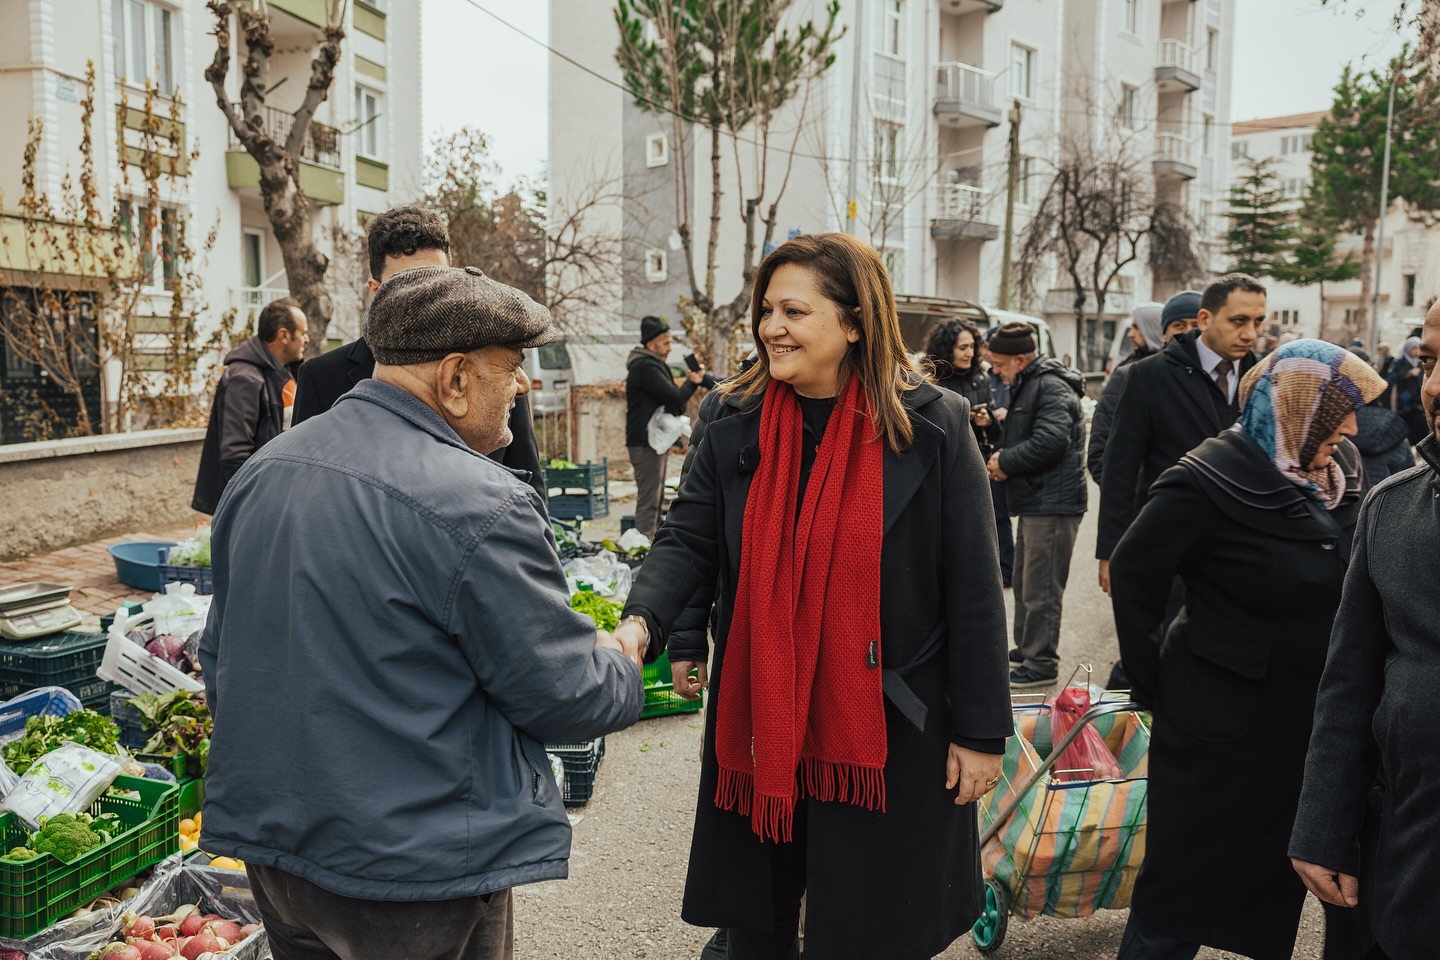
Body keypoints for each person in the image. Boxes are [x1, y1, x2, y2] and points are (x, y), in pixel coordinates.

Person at [198, 265, 645, 960]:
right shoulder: (480, 499)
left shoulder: (267, 470)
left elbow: (221, 658)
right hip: (411, 875)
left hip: (279, 858)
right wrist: (622, 659)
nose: (521, 386)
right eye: (511, 368)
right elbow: (563, 694)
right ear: (457, 378)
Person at [615, 233, 1010, 960]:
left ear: (855, 321)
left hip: (891, 724)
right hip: (766, 712)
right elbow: (689, 540)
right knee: (761, 922)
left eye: (793, 311)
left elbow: (975, 591)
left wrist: (983, 732)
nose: (771, 328)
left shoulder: (934, 423)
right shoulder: (733, 417)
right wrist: (643, 623)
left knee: (875, 923)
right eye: (767, 310)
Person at [1109, 339, 1386, 960]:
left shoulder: (1333, 477)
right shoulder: (1206, 476)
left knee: (1268, 891)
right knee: (1180, 894)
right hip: (1217, 730)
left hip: (1297, 730)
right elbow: (1133, 573)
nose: (1351, 425)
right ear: (1298, 406)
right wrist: (1153, 684)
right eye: (1340, 408)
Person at [1289, 305, 1440, 960]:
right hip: (1402, 858)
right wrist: (1323, 826)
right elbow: (1348, 683)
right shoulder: (1393, 506)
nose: (1432, 387)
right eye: (1429, 361)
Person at [291, 205, 545, 499]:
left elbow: (530, 487)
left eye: (436, 282)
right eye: (407, 287)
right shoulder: (322, 377)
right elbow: (307, 483)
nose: (426, 297)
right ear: (376, 291)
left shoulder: (497, 372)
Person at [1096, 276, 1265, 596]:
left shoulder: (1267, 378)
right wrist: (1110, 551)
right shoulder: (1148, 375)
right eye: (1239, 321)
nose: (1250, 334)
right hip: (1167, 545)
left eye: (1258, 322)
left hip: (1245, 549)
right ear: (1205, 319)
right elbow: (1120, 468)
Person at [983, 322, 1087, 687]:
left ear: (1021, 359)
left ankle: (1041, 662)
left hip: (1054, 503)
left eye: (998, 364)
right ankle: (1028, 649)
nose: (995, 371)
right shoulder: (1032, 383)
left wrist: (1003, 462)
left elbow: (1050, 441)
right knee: (1027, 582)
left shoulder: (1051, 386)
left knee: (1041, 587)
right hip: (1038, 500)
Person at [191, 298, 308, 515]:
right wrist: (258, 505)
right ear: (284, 335)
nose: (306, 339)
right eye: (303, 333)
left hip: (275, 493)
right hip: (253, 504)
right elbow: (235, 455)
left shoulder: (283, 373)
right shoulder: (244, 379)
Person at [625, 315, 705, 537]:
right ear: (651, 344)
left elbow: (674, 402)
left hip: (652, 441)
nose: (670, 348)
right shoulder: (645, 367)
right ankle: (643, 544)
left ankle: (648, 540)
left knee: (656, 495)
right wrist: (692, 383)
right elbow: (675, 399)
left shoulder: (654, 365)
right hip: (645, 441)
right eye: (666, 342)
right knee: (650, 497)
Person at [1087, 302, 1162, 485]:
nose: (1130, 334)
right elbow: (1101, 442)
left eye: (1137, 327)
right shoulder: (1126, 374)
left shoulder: (1182, 373)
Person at [981, 331, 1016, 585]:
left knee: (1000, 514)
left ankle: (1006, 568)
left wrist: (1007, 413)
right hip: (988, 447)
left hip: (1005, 449)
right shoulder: (985, 377)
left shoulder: (1013, 378)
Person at [1386, 336, 1428, 445]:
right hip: (1403, 401)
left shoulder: (1422, 362)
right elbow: (1392, 376)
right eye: (1414, 348)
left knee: (1420, 428)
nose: (1416, 351)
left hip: (1418, 401)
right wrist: (1409, 373)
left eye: (1419, 348)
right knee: (1405, 427)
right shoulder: (1399, 361)